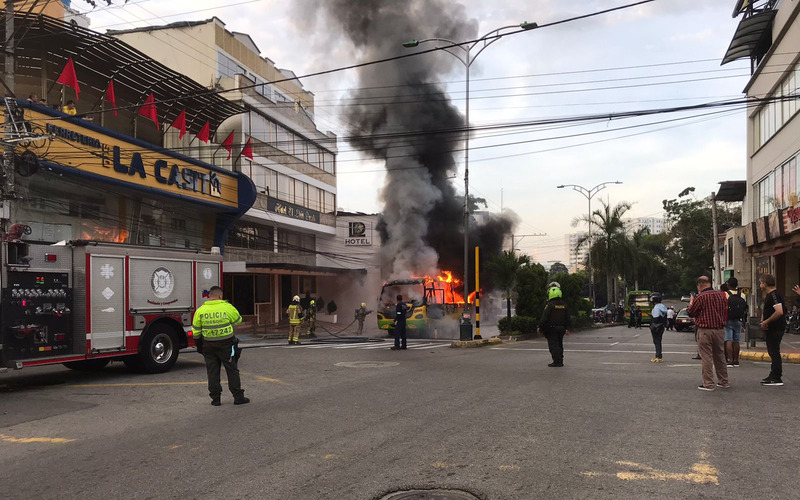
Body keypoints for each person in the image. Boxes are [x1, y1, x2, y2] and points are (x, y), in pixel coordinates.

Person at [192, 286, 249, 406]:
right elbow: (238, 320)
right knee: (232, 370)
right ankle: (238, 397)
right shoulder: (227, 307)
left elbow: (196, 331)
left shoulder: (201, 310)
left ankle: (216, 399)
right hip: (226, 344)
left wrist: (199, 346)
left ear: (209, 296)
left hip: (208, 345)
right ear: (220, 296)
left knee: (212, 372)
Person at [687, 276, 729, 391]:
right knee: (720, 356)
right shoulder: (721, 295)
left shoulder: (700, 297)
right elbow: (726, 311)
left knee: (706, 357)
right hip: (720, 329)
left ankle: (708, 383)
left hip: (705, 330)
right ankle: (723, 381)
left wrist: (691, 302)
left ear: (699, 285)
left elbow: (691, 312)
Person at [759, 274, 785, 386]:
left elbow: (779, 311)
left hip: (775, 328)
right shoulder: (770, 295)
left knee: (774, 352)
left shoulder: (774, 295)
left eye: (760, 283)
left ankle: (776, 376)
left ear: (765, 283)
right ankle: (774, 374)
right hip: (772, 328)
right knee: (772, 351)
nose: (760, 286)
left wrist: (766, 321)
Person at [538, 286, 571, 367]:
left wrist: (540, 327)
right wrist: (567, 328)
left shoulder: (550, 305)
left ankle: (557, 361)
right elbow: (568, 318)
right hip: (562, 328)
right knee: (559, 344)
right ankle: (560, 360)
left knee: (553, 345)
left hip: (552, 328)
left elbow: (544, 317)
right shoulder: (564, 305)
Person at [724, 277, 747, 368]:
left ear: (728, 285)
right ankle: (736, 360)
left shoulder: (726, 294)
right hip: (738, 320)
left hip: (728, 319)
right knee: (736, 340)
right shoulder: (742, 295)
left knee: (729, 339)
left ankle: (730, 360)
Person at [649, 293, 668, 362]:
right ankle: (658, 355)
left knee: (656, 341)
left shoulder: (656, 307)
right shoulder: (662, 306)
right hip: (661, 326)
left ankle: (658, 356)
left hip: (656, 326)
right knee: (659, 341)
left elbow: (655, 318)